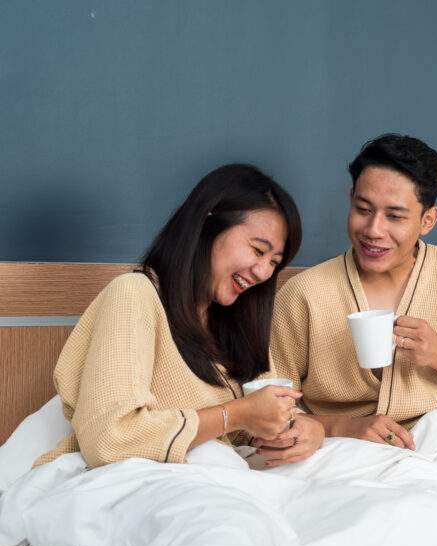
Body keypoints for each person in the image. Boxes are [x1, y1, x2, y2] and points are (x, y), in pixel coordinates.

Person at [34, 164, 324, 469]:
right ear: (209, 225)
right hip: (134, 478)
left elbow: (269, 412)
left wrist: (309, 429)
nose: (263, 272)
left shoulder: (237, 324)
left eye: (274, 263)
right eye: (258, 250)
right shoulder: (134, 294)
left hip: (220, 476)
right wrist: (235, 415)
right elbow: (108, 439)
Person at [269, 134, 437, 455]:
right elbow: (268, 407)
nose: (373, 230)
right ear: (350, 199)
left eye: (395, 216)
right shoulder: (303, 294)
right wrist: (341, 426)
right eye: (363, 209)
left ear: (428, 220)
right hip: (344, 451)